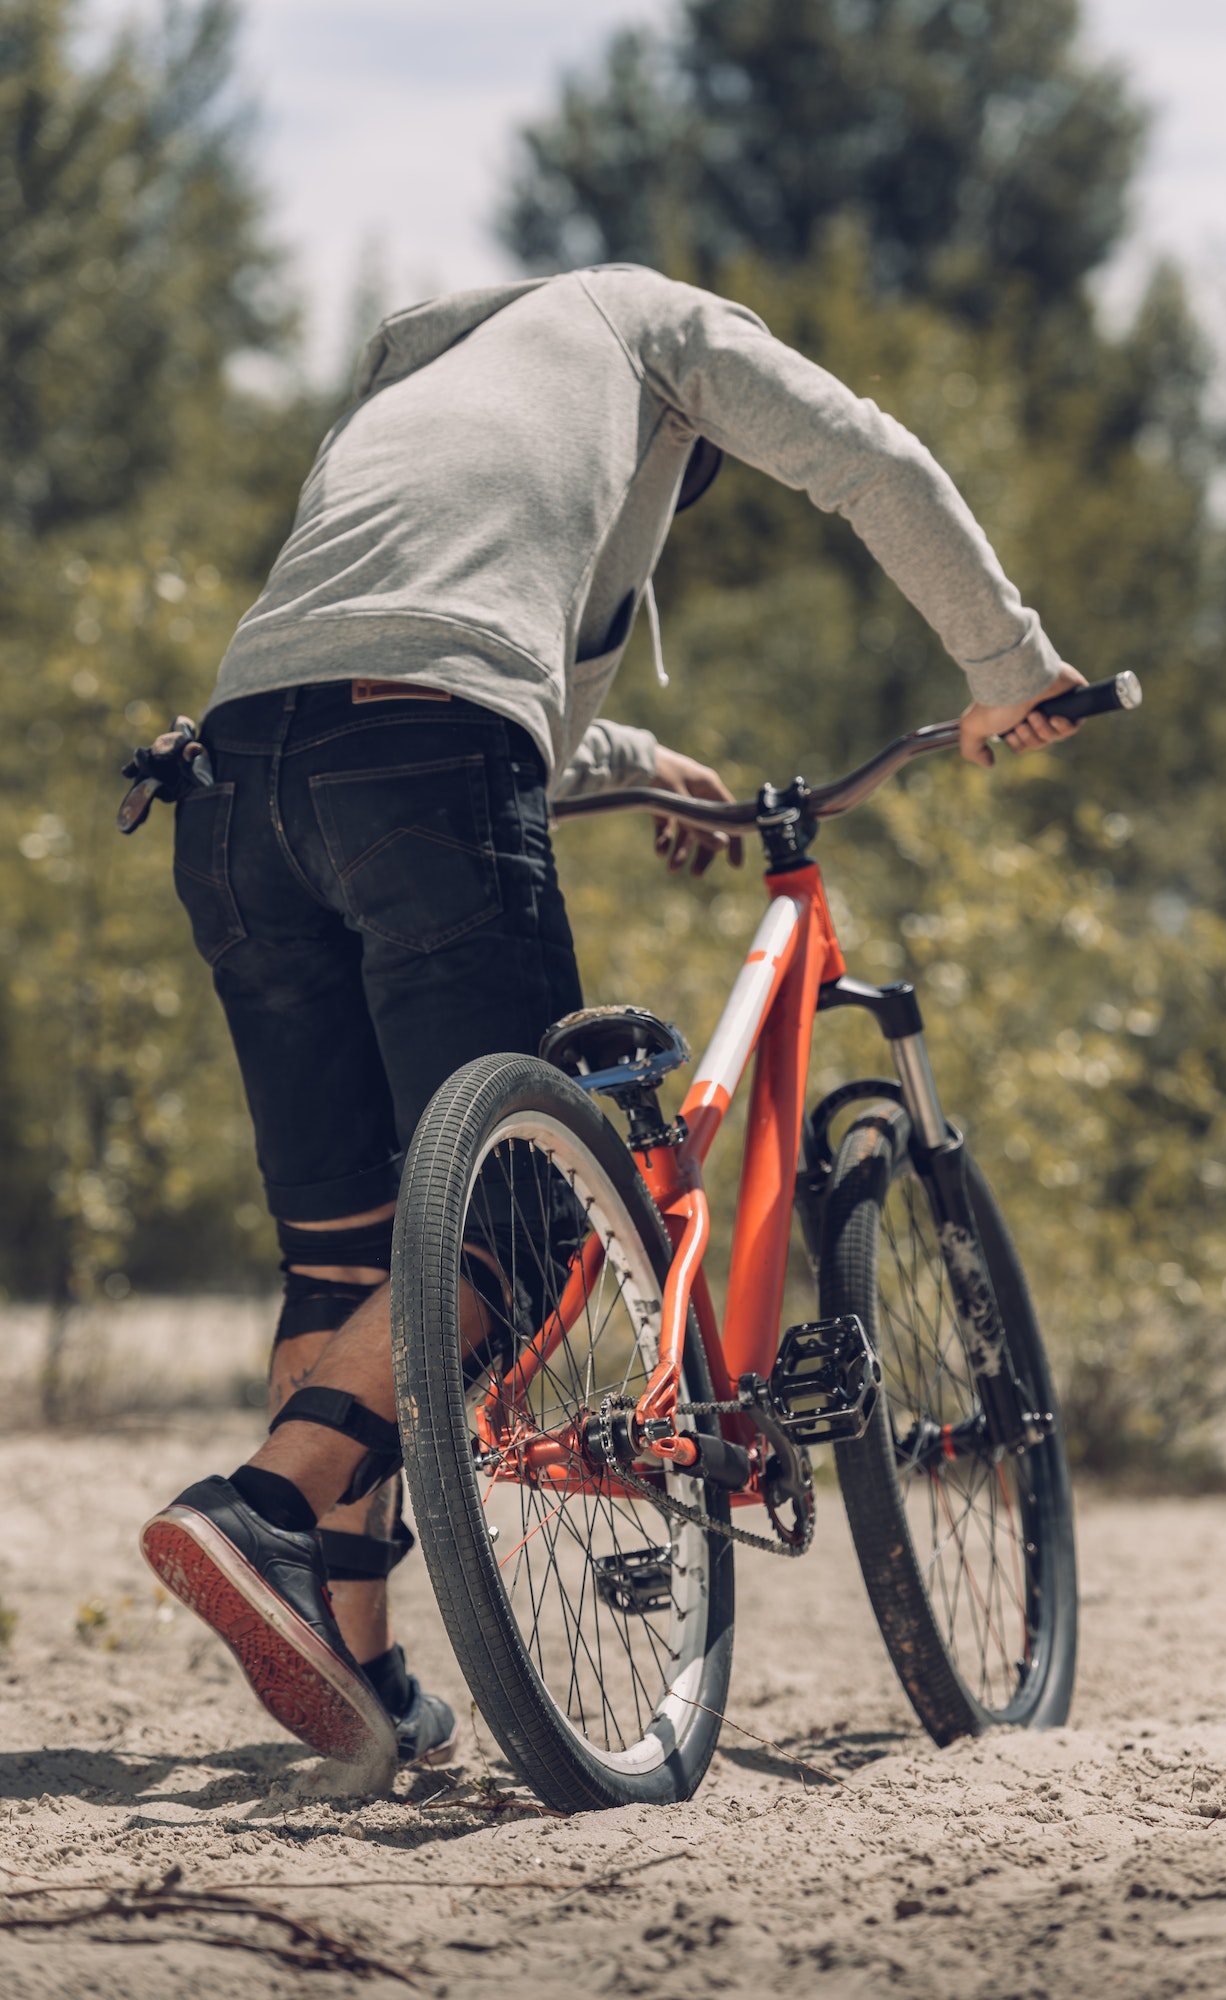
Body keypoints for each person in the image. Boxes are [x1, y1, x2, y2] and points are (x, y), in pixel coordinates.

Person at [133, 264, 1082, 1774]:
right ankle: (267, 1504)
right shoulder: (651, 318)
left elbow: (425, 657)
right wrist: (1007, 668)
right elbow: (869, 458)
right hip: (423, 749)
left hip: (232, 784)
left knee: (349, 1257)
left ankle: (358, 1673)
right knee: (524, 1230)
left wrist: (652, 755)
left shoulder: (409, 390)